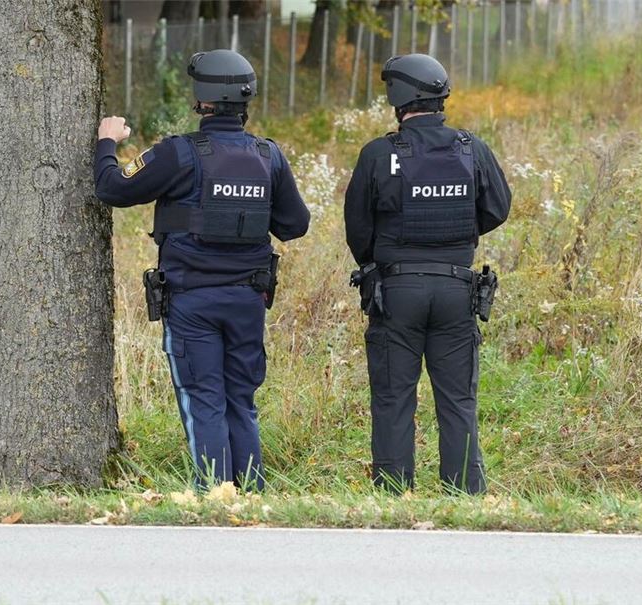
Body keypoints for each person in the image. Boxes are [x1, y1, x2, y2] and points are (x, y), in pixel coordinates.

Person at [94, 49, 310, 491]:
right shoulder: (269, 155)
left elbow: (112, 188)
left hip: (192, 303)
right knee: (241, 402)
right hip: (248, 301)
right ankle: (250, 495)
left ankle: (214, 496)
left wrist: (106, 142)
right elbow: (295, 225)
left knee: (204, 400)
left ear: (202, 99)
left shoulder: (178, 154)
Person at [344, 53, 512, 494]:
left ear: (398, 97)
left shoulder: (379, 154)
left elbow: (357, 229)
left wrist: (390, 257)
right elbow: (497, 208)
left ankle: (394, 494)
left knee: (393, 398)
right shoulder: (470, 148)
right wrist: (456, 241)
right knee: (458, 400)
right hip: (457, 287)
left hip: (396, 290)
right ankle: (463, 495)